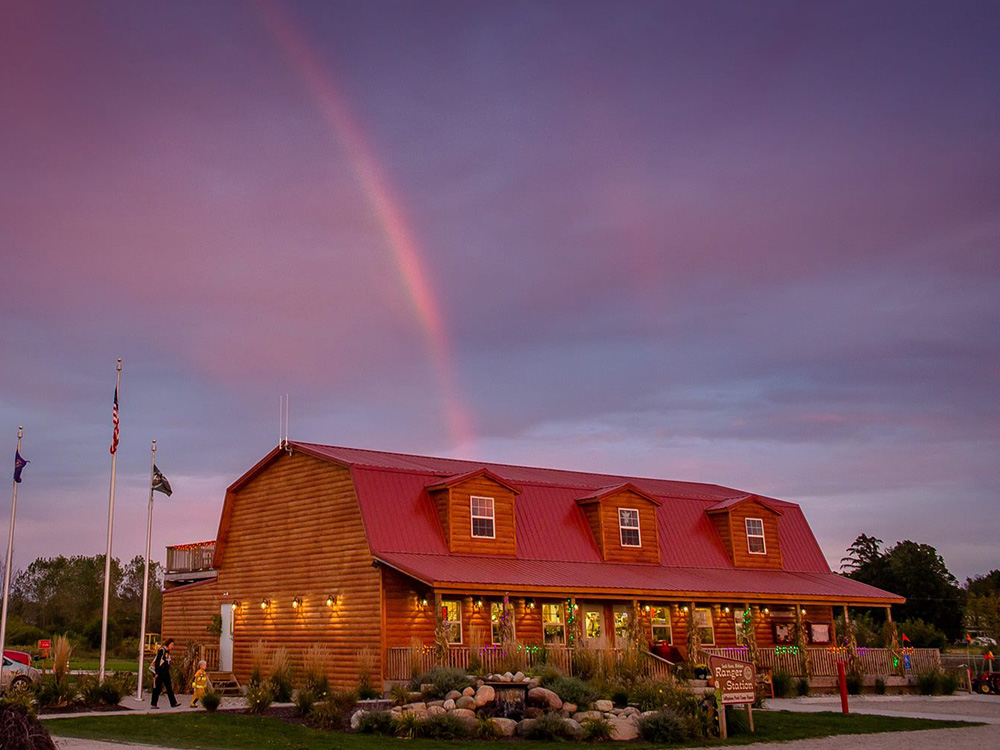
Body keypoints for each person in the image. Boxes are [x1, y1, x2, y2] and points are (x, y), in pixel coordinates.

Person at [150, 638, 179, 708]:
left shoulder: (167, 652)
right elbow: (157, 662)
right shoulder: (161, 651)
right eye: (171, 644)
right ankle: (153, 704)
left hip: (166, 672)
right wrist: (156, 673)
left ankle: (173, 703)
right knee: (157, 688)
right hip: (160, 672)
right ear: (168, 644)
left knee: (169, 687)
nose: (172, 646)